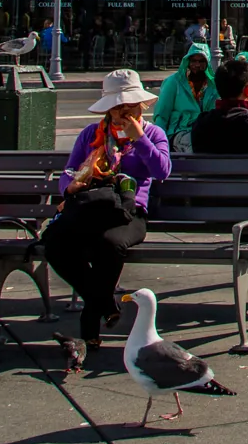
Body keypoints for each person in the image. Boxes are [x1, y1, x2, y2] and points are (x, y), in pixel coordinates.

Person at [45, 70, 172, 349]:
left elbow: (161, 170)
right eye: (115, 107)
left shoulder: (152, 133)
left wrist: (139, 139)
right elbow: (68, 171)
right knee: (53, 241)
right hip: (91, 206)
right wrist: (71, 186)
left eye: (127, 106)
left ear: (142, 106)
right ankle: (104, 302)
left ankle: (89, 326)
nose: (120, 113)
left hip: (130, 211)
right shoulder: (92, 133)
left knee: (109, 243)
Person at [152, 43, 216, 149]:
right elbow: (161, 115)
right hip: (179, 132)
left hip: (204, 132)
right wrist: (159, 143)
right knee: (196, 146)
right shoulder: (173, 82)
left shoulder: (213, 86)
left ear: (207, 63)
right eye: (193, 61)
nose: (197, 65)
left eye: (201, 61)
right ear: (187, 61)